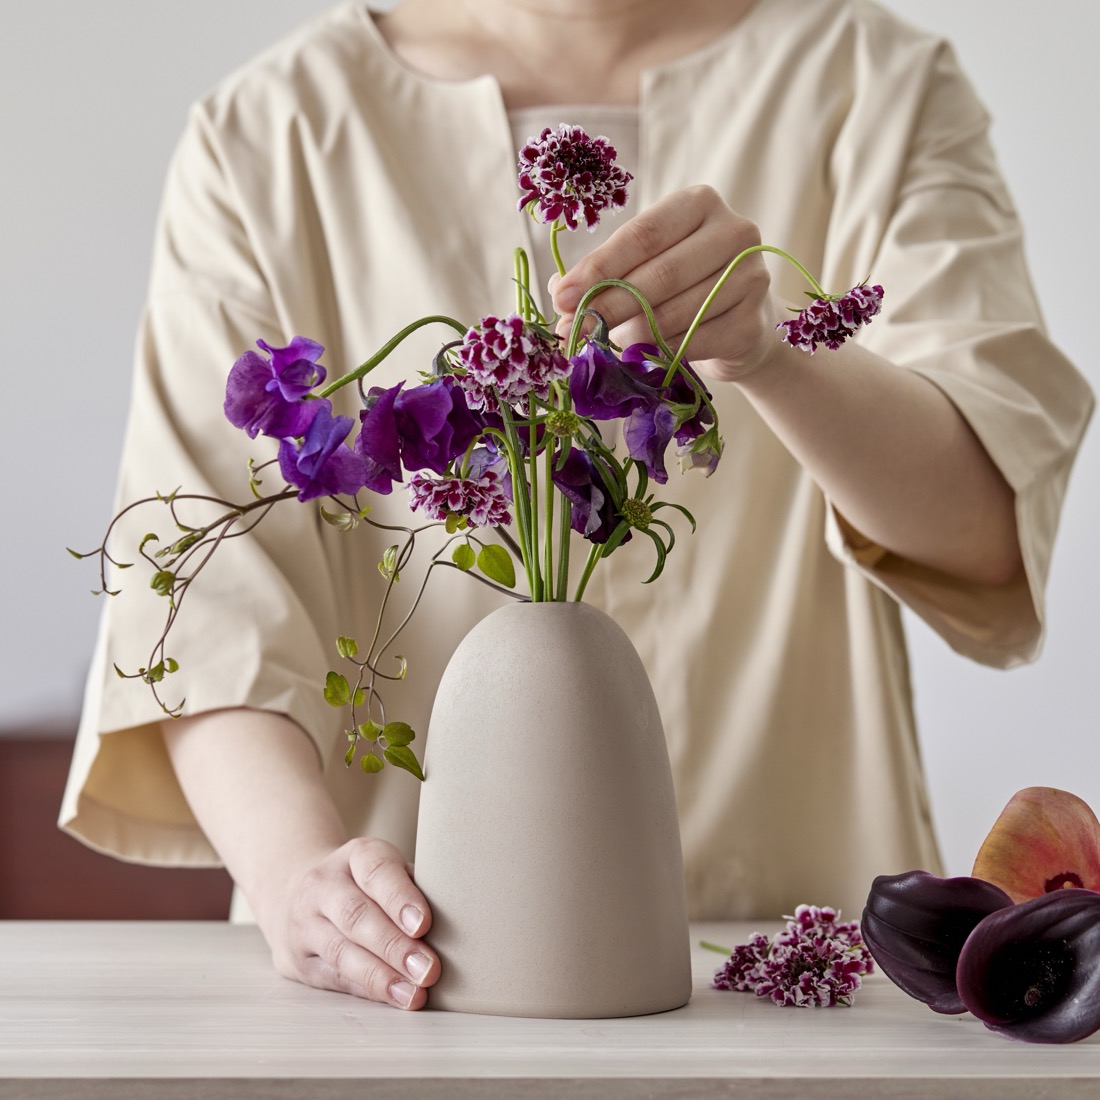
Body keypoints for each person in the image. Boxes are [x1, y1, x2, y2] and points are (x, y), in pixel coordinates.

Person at [60, 0, 1092, 1013]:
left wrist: (767, 354)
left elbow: (982, 523)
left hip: (790, 978)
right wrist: (300, 880)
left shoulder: (877, 83)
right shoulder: (267, 129)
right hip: (395, 991)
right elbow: (203, 605)